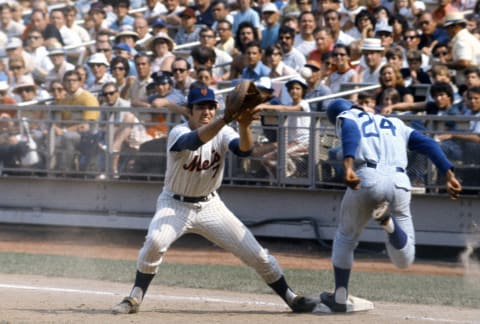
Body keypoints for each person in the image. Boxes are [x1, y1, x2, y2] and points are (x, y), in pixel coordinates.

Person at [111, 85, 317, 314]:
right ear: (190, 110)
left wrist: (244, 125)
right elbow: (193, 142)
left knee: (257, 254)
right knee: (155, 242)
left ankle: (291, 297)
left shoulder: (224, 131)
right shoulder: (178, 132)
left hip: (210, 205)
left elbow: (244, 151)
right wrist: (225, 118)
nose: (206, 111)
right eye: (200, 107)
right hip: (174, 203)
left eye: (211, 107)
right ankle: (134, 297)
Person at [319, 98, 462, 312]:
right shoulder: (394, 123)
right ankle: (389, 225)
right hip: (400, 182)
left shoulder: (348, 115)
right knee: (405, 260)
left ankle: (340, 296)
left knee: (346, 237)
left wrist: (348, 165)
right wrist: (448, 174)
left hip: (367, 176)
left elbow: (351, 132)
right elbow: (430, 144)